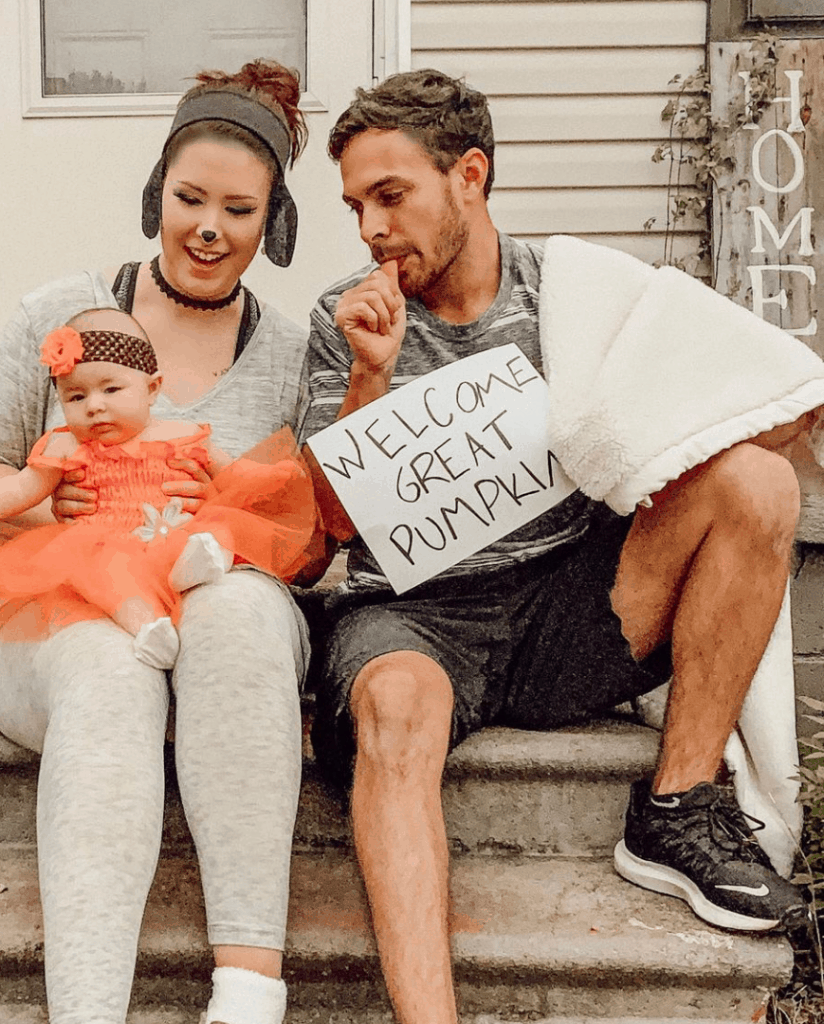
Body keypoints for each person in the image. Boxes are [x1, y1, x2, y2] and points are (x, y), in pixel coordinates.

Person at [295, 68, 814, 1024]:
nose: (370, 227)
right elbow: (326, 527)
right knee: (398, 704)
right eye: (356, 205)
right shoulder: (346, 317)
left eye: (391, 195)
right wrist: (369, 380)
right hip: (416, 617)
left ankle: (677, 807)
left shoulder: (577, 289)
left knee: (759, 479)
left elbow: (759, 394)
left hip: (574, 600)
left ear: (471, 177)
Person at [0, 60, 310, 1024]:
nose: (207, 227)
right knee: (109, 671)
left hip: (220, 648)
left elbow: (303, 535)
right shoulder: (61, 314)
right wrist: (48, 513)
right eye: (189, 198)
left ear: (272, 222)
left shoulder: (287, 354)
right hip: (64, 613)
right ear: (157, 193)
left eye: (238, 209)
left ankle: (246, 993)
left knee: (234, 606)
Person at [0, 308, 315, 669]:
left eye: (111, 390)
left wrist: (273, 479)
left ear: (152, 388)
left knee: (217, 526)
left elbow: (233, 475)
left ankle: (201, 566)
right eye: (76, 396)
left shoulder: (184, 434)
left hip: (175, 535)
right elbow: (18, 490)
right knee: (104, 571)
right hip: (103, 543)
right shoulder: (65, 447)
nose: (94, 406)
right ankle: (148, 627)